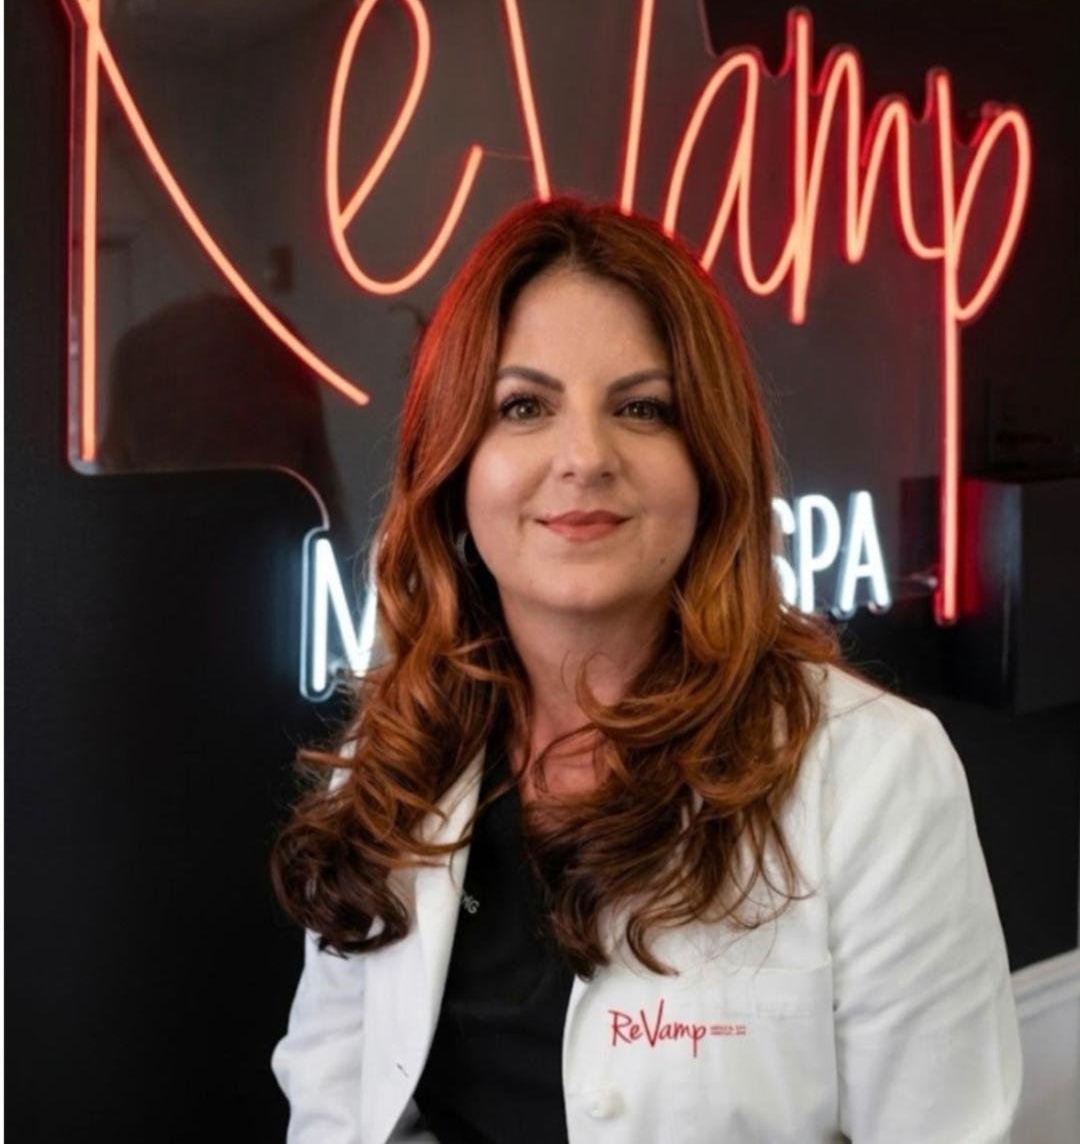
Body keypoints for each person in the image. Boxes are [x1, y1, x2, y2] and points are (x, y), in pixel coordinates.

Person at [268, 197, 1022, 1143]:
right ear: (455, 463)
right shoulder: (398, 753)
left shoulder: (876, 776)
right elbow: (335, 1107)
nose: (585, 457)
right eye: (523, 407)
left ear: (709, 461)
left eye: (642, 408)